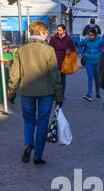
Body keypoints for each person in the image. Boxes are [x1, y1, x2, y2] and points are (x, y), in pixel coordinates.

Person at [6, 20, 63, 166]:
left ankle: (28, 143)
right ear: (43, 33)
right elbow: (54, 74)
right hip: (47, 92)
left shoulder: (21, 50)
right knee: (42, 122)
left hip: (27, 90)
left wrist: (11, 93)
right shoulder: (49, 50)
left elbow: (14, 74)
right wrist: (59, 95)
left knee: (29, 120)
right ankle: (38, 155)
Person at [47, 24, 76, 99]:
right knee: (55, 78)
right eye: (58, 30)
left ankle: (61, 95)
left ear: (64, 31)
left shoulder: (67, 39)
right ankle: (54, 94)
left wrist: (69, 50)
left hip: (64, 61)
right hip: (55, 61)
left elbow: (73, 48)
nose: (58, 31)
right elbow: (49, 48)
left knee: (63, 78)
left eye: (60, 30)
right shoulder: (54, 38)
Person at [78, 26, 104, 101]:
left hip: (97, 61)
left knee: (96, 78)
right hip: (89, 61)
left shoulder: (99, 40)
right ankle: (89, 94)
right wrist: (82, 53)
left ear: (95, 34)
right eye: (89, 35)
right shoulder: (86, 40)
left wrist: (101, 54)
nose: (90, 36)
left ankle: (98, 94)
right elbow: (79, 45)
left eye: (92, 35)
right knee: (90, 77)